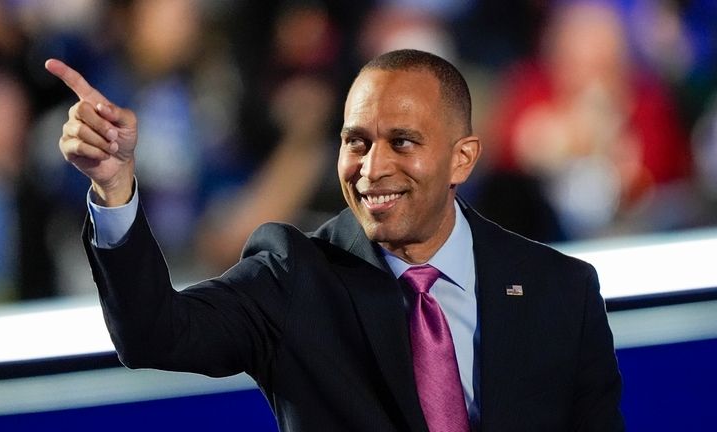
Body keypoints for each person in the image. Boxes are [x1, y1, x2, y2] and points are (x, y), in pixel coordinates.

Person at [46, 49, 624, 431]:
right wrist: (115, 186)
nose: (372, 168)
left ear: (462, 159)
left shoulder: (560, 290)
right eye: (356, 142)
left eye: (402, 142)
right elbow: (155, 335)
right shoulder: (293, 278)